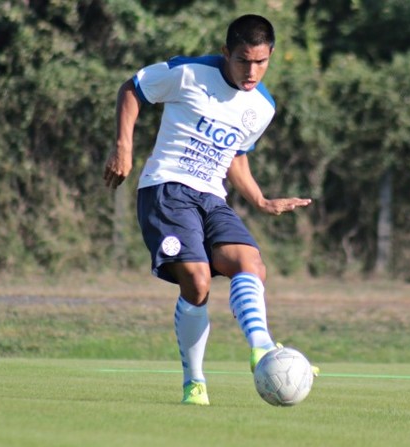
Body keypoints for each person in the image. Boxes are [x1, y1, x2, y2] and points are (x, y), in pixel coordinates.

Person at [103, 14, 317, 405]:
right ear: (226, 53)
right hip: (167, 188)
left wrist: (261, 200)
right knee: (198, 281)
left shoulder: (262, 107)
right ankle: (194, 382)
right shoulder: (189, 73)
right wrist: (123, 146)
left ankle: (262, 349)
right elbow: (133, 89)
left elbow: (235, 156)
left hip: (212, 197)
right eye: (243, 60)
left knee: (250, 263)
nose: (252, 71)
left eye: (261, 62)